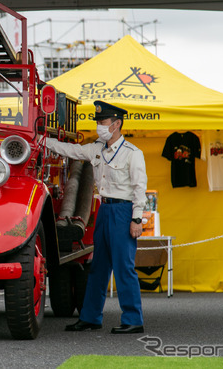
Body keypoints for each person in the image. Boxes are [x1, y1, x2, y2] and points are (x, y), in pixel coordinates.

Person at [44, 100, 148, 334]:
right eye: (99, 122)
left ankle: (133, 320)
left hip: (123, 211)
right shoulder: (96, 149)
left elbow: (139, 187)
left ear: (117, 124)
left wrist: (137, 218)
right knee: (98, 267)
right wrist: (44, 141)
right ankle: (90, 317)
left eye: (104, 122)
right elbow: (70, 150)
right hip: (104, 210)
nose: (100, 125)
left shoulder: (133, 153)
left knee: (124, 268)